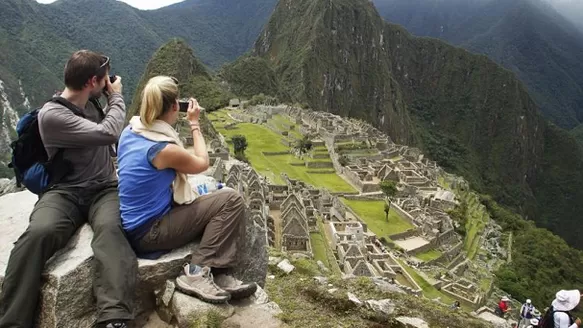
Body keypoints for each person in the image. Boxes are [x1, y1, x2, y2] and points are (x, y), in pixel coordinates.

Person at [0, 50, 137, 328]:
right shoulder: (53, 115)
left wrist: (105, 95)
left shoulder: (92, 101)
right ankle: (12, 321)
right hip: (64, 192)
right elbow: (109, 133)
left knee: (111, 231)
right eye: (103, 79)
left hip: (104, 188)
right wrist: (117, 96)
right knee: (39, 232)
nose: (108, 83)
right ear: (90, 81)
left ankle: (114, 317)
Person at [117, 76, 257, 304]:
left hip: (136, 223)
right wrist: (194, 123)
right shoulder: (162, 149)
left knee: (210, 192)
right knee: (230, 200)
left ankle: (218, 272)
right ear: (174, 107)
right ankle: (196, 272)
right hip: (149, 232)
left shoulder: (131, 131)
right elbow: (202, 162)